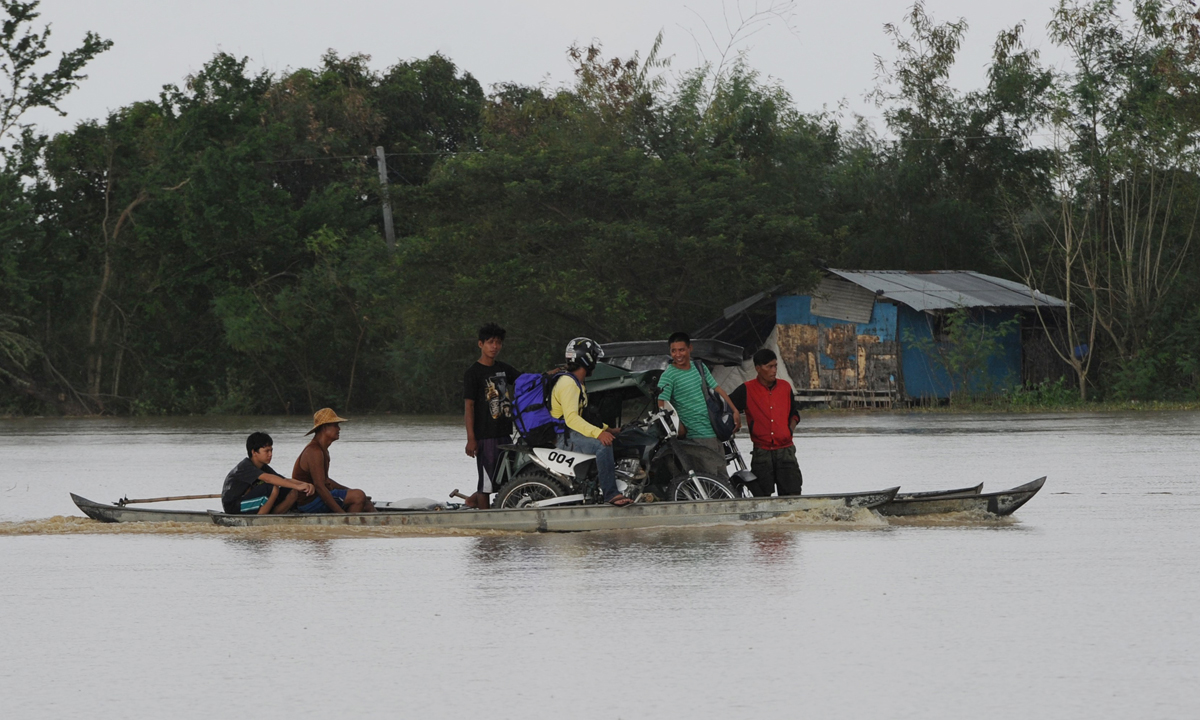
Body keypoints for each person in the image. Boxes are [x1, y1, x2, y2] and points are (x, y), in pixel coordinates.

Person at [551, 337, 632, 506]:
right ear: (586, 360)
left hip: (570, 433)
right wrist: (599, 434)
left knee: (615, 440)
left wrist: (609, 430)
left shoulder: (578, 383)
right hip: (563, 436)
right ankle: (610, 494)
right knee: (602, 446)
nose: (596, 362)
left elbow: (585, 417)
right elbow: (572, 419)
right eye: (594, 358)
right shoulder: (568, 383)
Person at [656, 331, 741, 482]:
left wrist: (734, 410)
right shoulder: (669, 375)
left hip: (714, 431)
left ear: (690, 348)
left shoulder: (699, 367)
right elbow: (662, 404)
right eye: (673, 351)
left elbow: (717, 389)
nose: (678, 354)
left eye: (681, 349)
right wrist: (679, 426)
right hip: (695, 437)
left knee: (722, 476)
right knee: (709, 480)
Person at [728, 349, 803, 496]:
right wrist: (735, 416)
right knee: (761, 497)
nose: (774, 370)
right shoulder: (747, 389)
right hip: (762, 452)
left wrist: (788, 431)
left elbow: (794, 414)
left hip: (786, 451)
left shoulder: (785, 387)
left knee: (792, 496)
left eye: (775, 366)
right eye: (770, 366)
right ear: (758, 368)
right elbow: (727, 406)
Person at [463, 322, 521, 509]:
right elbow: (469, 407)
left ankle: (486, 506)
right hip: (484, 435)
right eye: (490, 342)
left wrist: (548, 376)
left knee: (508, 477)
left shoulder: (504, 369)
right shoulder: (473, 373)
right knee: (486, 481)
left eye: (498, 343)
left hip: (504, 432)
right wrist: (471, 438)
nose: (494, 347)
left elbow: (524, 381)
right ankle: (485, 519)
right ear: (481, 344)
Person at [292, 408, 376, 513]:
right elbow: (319, 486)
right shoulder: (314, 451)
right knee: (358, 496)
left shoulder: (323, 450)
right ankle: (346, 525)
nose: (339, 429)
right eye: (335, 425)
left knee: (366, 503)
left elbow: (326, 480)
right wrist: (341, 514)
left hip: (318, 497)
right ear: (324, 427)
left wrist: (349, 491)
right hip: (309, 502)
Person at [220, 432, 315, 514]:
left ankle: (274, 517)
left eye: (271, 450)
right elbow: (268, 479)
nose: (270, 454)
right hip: (234, 506)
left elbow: (283, 480)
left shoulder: (262, 466)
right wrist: (298, 486)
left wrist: (304, 484)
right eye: (267, 451)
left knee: (292, 491)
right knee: (273, 487)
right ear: (254, 452)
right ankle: (260, 520)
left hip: (248, 500)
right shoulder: (246, 466)